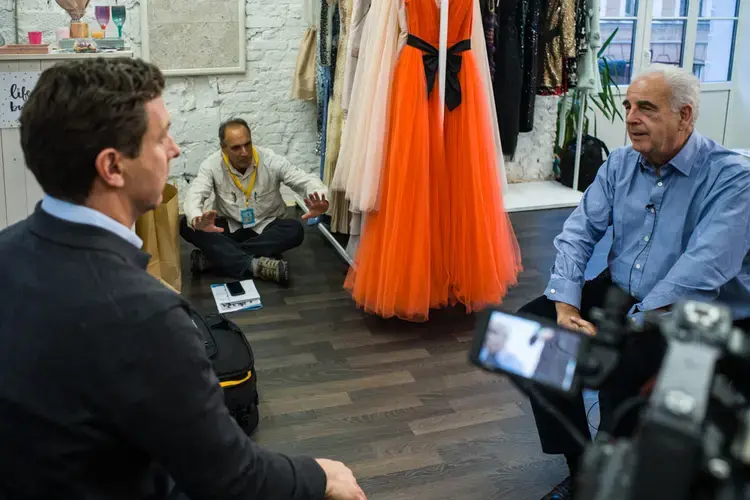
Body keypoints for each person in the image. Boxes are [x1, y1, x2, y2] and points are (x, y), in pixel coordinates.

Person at [0, 57, 365, 500]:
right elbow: (230, 477)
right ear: (113, 167)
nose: (174, 149)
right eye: (160, 137)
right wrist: (320, 476)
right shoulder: (147, 314)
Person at [518, 64, 750, 500]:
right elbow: (578, 231)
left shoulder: (733, 179)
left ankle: (619, 480)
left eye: (646, 107)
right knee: (535, 331)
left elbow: (702, 271)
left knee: (620, 360)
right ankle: (583, 465)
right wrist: (566, 308)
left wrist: (625, 328)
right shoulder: (620, 163)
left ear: (685, 116)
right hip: (627, 290)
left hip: (699, 310)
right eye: (627, 105)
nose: (630, 117)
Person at [181, 118, 329, 285]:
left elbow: (303, 180)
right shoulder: (211, 165)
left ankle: (217, 258)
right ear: (223, 148)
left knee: (294, 230)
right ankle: (254, 264)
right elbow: (196, 193)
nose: (244, 152)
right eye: (236, 148)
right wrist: (196, 217)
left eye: (247, 144)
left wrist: (320, 197)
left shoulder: (271, 160)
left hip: (265, 226)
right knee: (185, 224)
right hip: (230, 226)